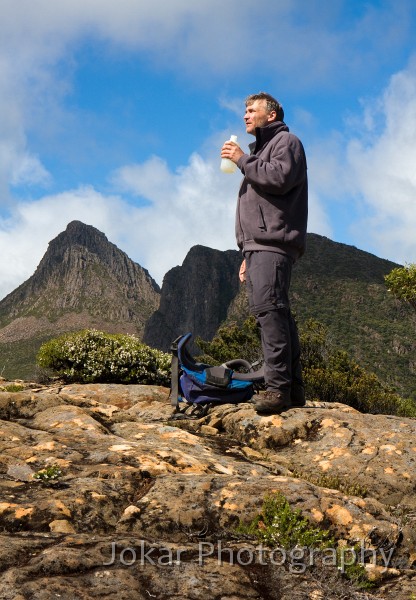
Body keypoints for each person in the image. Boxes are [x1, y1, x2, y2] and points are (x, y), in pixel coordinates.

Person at [221, 92, 308, 414]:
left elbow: (280, 179)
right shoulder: (264, 149)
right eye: (244, 110)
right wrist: (248, 253)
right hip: (260, 246)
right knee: (277, 312)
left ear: (270, 115)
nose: (245, 115)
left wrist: (242, 159)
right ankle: (293, 390)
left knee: (268, 311)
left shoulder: (287, 142)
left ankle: (277, 390)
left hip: (273, 243)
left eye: (251, 110)